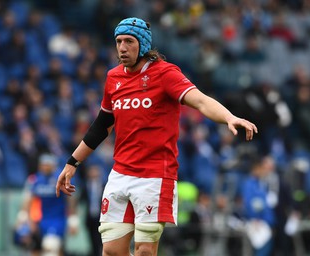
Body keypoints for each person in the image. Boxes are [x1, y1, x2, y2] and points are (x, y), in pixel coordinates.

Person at [56, 17, 258, 256]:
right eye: (118, 41)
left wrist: (229, 117)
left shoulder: (165, 74)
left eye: (128, 41)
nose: (122, 47)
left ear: (142, 44)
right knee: (111, 251)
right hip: (120, 174)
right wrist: (72, 163)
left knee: (144, 252)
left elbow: (201, 101)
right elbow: (102, 124)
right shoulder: (114, 78)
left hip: (155, 177)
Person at [17, 153, 78, 256]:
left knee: (51, 246)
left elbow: (71, 199)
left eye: (47, 164)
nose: (44, 167)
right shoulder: (35, 179)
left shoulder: (61, 178)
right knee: (40, 248)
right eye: (43, 164)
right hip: (43, 219)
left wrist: (73, 219)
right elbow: (28, 200)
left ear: (53, 165)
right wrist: (24, 218)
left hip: (58, 219)